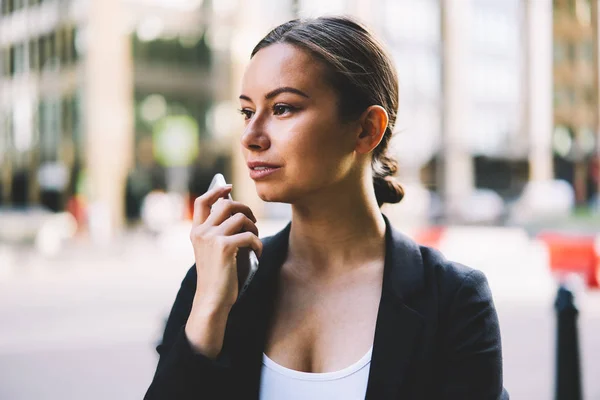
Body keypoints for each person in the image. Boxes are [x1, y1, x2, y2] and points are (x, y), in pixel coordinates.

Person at [144, 16, 509, 400]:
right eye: (247, 112)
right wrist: (209, 310)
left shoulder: (453, 300)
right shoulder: (214, 281)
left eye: (282, 108)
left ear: (367, 129)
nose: (250, 137)